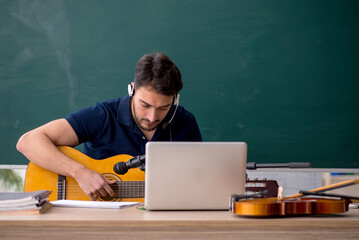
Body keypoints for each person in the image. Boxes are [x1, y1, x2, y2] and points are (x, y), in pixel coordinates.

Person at [17, 52, 202, 200]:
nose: (152, 117)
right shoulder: (102, 116)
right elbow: (28, 142)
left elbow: (198, 179)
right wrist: (80, 173)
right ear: (132, 89)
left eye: (163, 108)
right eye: (145, 105)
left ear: (175, 100)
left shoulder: (185, 122)